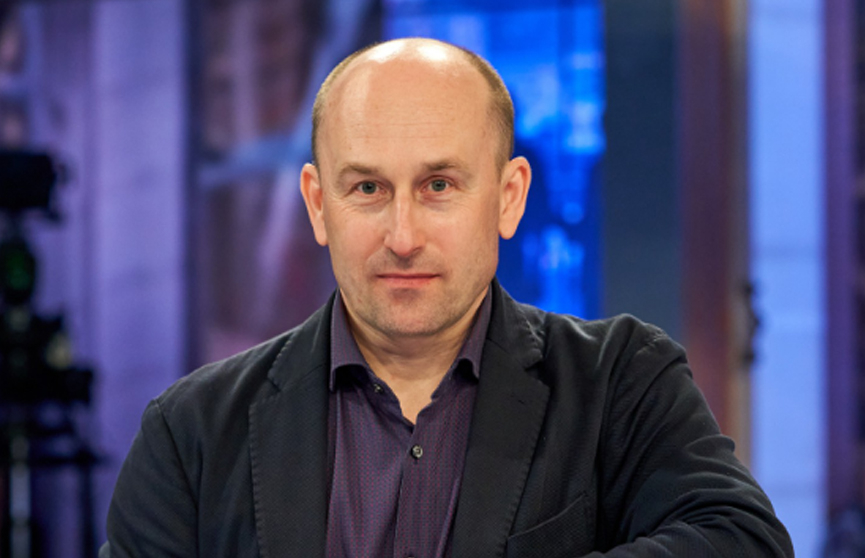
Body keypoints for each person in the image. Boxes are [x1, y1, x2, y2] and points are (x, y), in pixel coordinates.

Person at [102, 38, 793, 557]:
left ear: (508, 197)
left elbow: (741, 540)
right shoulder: (191, 433)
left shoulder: (621, 382)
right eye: (367, 188)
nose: (402, 237)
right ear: (317, 203)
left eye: (438, 186)